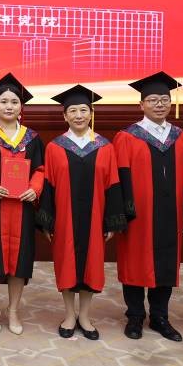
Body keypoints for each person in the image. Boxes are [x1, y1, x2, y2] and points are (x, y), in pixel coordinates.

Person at [40, 85, 126, 340]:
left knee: (92, 266)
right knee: (66, 264)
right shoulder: (54, 147)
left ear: (91, 114)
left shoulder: (105, 147)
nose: (78, 115)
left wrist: (111, 221)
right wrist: (47, 221)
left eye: (83, 110)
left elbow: (113, 185)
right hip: (64, 220)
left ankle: (85, 317)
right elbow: (48, 186)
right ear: (64, 116)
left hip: (95, 219)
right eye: (73, 111)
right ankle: (69, 315)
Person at [113, 72, 183, 342]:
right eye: (153, 100)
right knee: (134, 261)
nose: (159, 104)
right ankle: (134, 316)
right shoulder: (127, 137)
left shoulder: (180, 136)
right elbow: (120, 176)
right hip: (138, 213)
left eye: (164, 100)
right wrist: (123, 212)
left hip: (171, 212)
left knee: (166, 262)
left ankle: (160, 316)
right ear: (141, 104)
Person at [0, 73, 45, 335]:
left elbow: (40, 170)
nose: (9, 106)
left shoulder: (32, 138)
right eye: (4, 102)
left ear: (21, 106)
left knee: (20, 261)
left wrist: (34, 189)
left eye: (14, 102)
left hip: (22, 208)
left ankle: (13, 310)